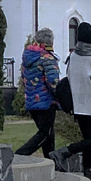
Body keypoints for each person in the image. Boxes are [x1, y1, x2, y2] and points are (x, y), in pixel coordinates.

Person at [48, 21, 91, 181]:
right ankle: (63, 152)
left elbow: (69, 77)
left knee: (88, 140)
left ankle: (88, 174)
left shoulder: (73, 57)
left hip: (77, 106)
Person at [15, 27, 60, 158]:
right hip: (46, 102)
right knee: (45, 133)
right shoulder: (47, 58)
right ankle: (19, 156)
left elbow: (24, 79)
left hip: (31, 101)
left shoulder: (27, 57)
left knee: (49, 135)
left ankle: (51, 162)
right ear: (50, 42)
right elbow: (53, 83)